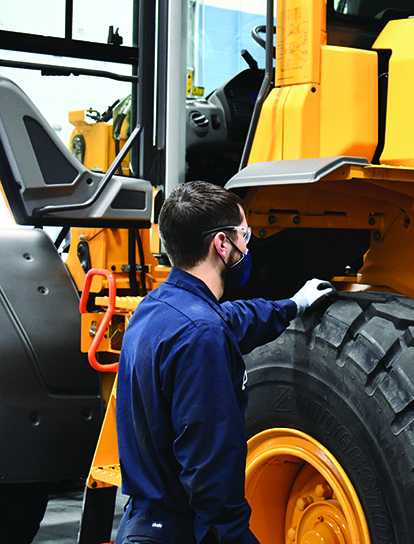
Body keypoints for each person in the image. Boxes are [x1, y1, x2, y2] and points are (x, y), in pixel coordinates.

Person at [115, 181, 334, 544]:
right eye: (244, 235)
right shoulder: (202, 335)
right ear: (221, 243)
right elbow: (209, 465)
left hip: (144, 524)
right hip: (182, 532)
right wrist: (232, 535)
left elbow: (231, 317)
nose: (247, 247)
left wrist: (294, 304)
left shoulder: (155, 310)